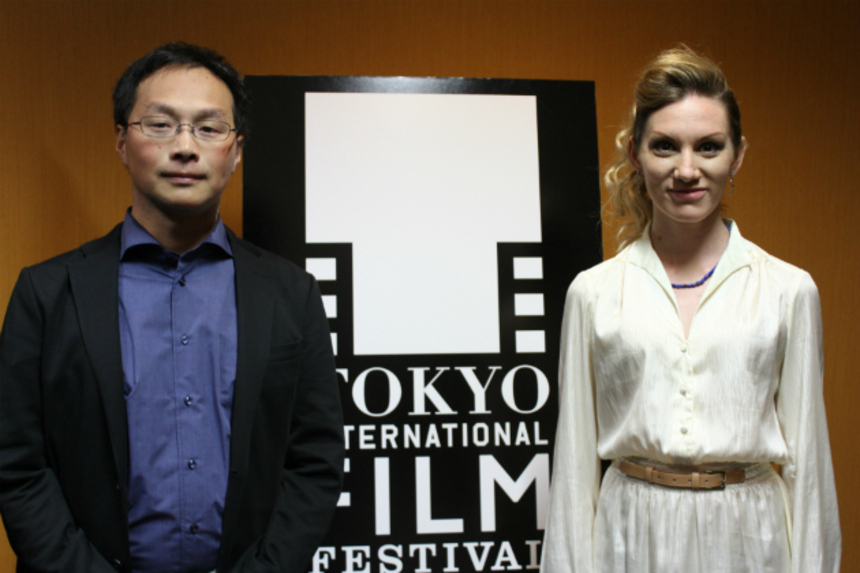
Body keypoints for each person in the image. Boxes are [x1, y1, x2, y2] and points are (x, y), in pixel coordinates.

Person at [0, 42, 344, 573]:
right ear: (121, 141)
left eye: (209, 128)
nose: (185, 147)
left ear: (236, 150)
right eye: (160, 125)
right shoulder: (46, 293)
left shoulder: (290, 294)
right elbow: (17, 466)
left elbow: (315, 462)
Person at [540, 46, 840, 572]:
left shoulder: (788, 290)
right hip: (630, 536)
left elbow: (809, 466)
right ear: (635, 154)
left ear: (737, 156)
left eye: (708, 147)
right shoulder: (593, 292)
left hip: (750, 540)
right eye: (664, 146)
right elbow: (572, 469)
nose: (686, 170)